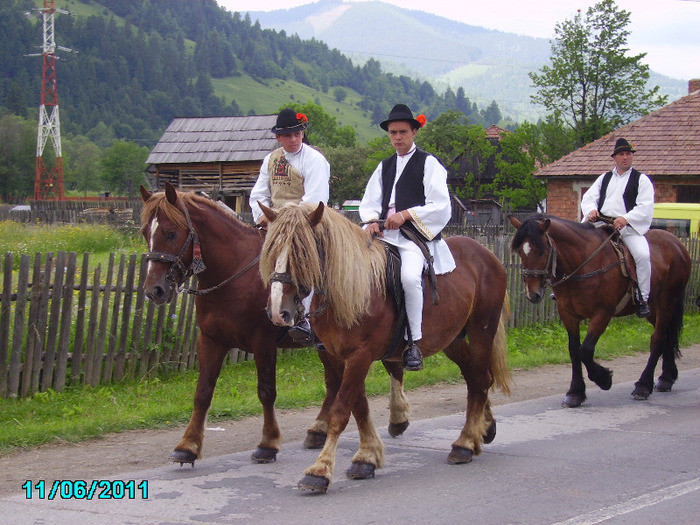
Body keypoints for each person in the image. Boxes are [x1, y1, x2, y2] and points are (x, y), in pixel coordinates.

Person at [359, 104, 455, 371]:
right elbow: (369, 201)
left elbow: (440, 204)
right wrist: (370, 221)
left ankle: (413, 342)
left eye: (403, 131)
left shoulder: (429, 163)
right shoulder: (384, 166)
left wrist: (406, 214)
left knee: (409, 278)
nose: (397, 137)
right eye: (392, 133)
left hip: (413, 236)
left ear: (414, 132)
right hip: (384, 235)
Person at [250, 108, 330, 343]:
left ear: (302, 134)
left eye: (297, 134)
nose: (293, 140)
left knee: (310, 262)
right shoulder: (271, 159)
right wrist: (261, 215)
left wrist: (284, 221)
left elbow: (314, 200)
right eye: (287, 136)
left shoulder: (315, 160)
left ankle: (307, 318)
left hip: (307, 224)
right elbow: (259, 193)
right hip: (274, 224)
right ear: (278, 137)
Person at [580, 137, 654, 317]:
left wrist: (626, 218)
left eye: (628, 154)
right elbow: (589, 198)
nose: (625, 157)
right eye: (622, 154)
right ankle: (570, 287)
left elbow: (645, 206)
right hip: (602, 224)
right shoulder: (604, 178)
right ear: (615, 158)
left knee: (643, 256)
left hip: (627, 228)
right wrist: (590, 210)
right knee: (577, 246)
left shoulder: (641, 180)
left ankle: (642, 298)